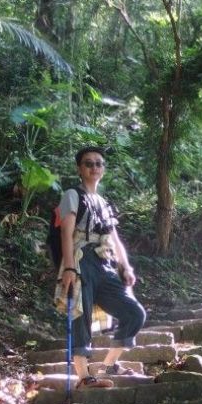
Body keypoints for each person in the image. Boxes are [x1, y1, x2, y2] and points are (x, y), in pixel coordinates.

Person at [54, 146, 146, 389]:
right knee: (80, 314)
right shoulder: (72, 195)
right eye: (88, 163)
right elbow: (66, 232)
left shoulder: (104, 203)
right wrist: (70, 268)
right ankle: (84, 377)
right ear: (79, 169)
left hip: (105, 263)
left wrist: (125, 267)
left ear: (103, 169)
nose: (94, 167)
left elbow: (115, 239)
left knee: (134, 313)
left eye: (98, 163)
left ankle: (107, 365)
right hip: (81, 258)